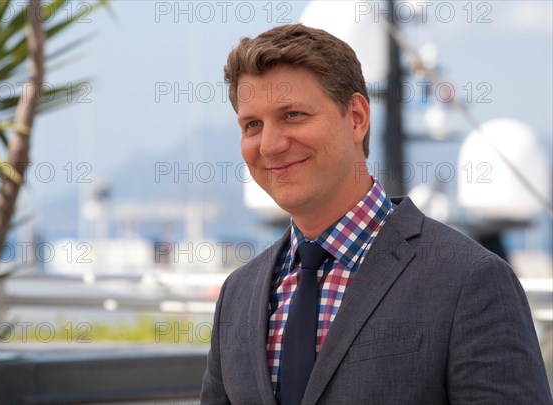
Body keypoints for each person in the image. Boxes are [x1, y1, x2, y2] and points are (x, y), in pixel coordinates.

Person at [201, 24, 552, 404]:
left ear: (356, 118)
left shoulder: (470, 281)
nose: (269, 144)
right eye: (253, 124)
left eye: (293, 115)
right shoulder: (238, 294)